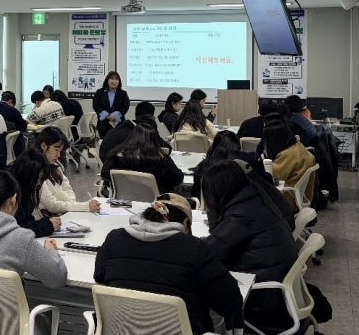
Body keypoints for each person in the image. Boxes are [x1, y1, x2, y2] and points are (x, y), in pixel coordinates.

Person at [94, 193, 244, 335]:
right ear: (185, 223)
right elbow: (231, 302)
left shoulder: (113, 239)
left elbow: (99, 276)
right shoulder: (196, 248)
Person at [203, 159, 297, 331]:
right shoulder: (256, 198)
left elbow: (208, 252)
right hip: (276, 289)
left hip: (261, 299)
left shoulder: (242, 215)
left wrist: (212, 211)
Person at [34, 126, 101, 214]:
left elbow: (67, 186)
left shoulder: (54, 165)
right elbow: (51, 205)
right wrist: (84, 206)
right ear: (43, 146)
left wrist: (72, 204)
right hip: (47, 216)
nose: (58, 155)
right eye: (56, 150)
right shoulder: (35, 170)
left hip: (62, 211)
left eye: (60, 151)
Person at [101, 125, 184, 194]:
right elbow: (178, 179)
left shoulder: (115, 155)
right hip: (156, 203)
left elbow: (104, 174)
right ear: (154, 140)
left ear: (132, 136)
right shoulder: (160, 159)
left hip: (122, 201)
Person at [263, 121, 316, 211]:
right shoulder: (297, 146)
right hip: (298, 196)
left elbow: (271, 177)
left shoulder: (288, 155)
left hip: (288, 199)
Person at [8, 150, 61, 237]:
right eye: (38, 178)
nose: (39, 183)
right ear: (28, 175)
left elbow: (26, 219)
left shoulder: (24, 188)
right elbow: (17, 229)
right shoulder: (11, 192)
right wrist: (47, 225)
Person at [99, 101, 170, 162]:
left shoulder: (122, 127)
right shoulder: (134, 134)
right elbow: (160, 145)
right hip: (115, 165)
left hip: (107, 164)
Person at [92, 71, 130, 138]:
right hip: (103, 124)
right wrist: (105, 114)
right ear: (107, 80)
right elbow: (95, 105)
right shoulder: (100, 92)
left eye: (116, 79)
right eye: (112, 79)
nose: (114, 81)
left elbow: (125, 106)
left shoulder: (123, 93)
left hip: (118, 125)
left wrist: (115, 115)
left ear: (119, 81)